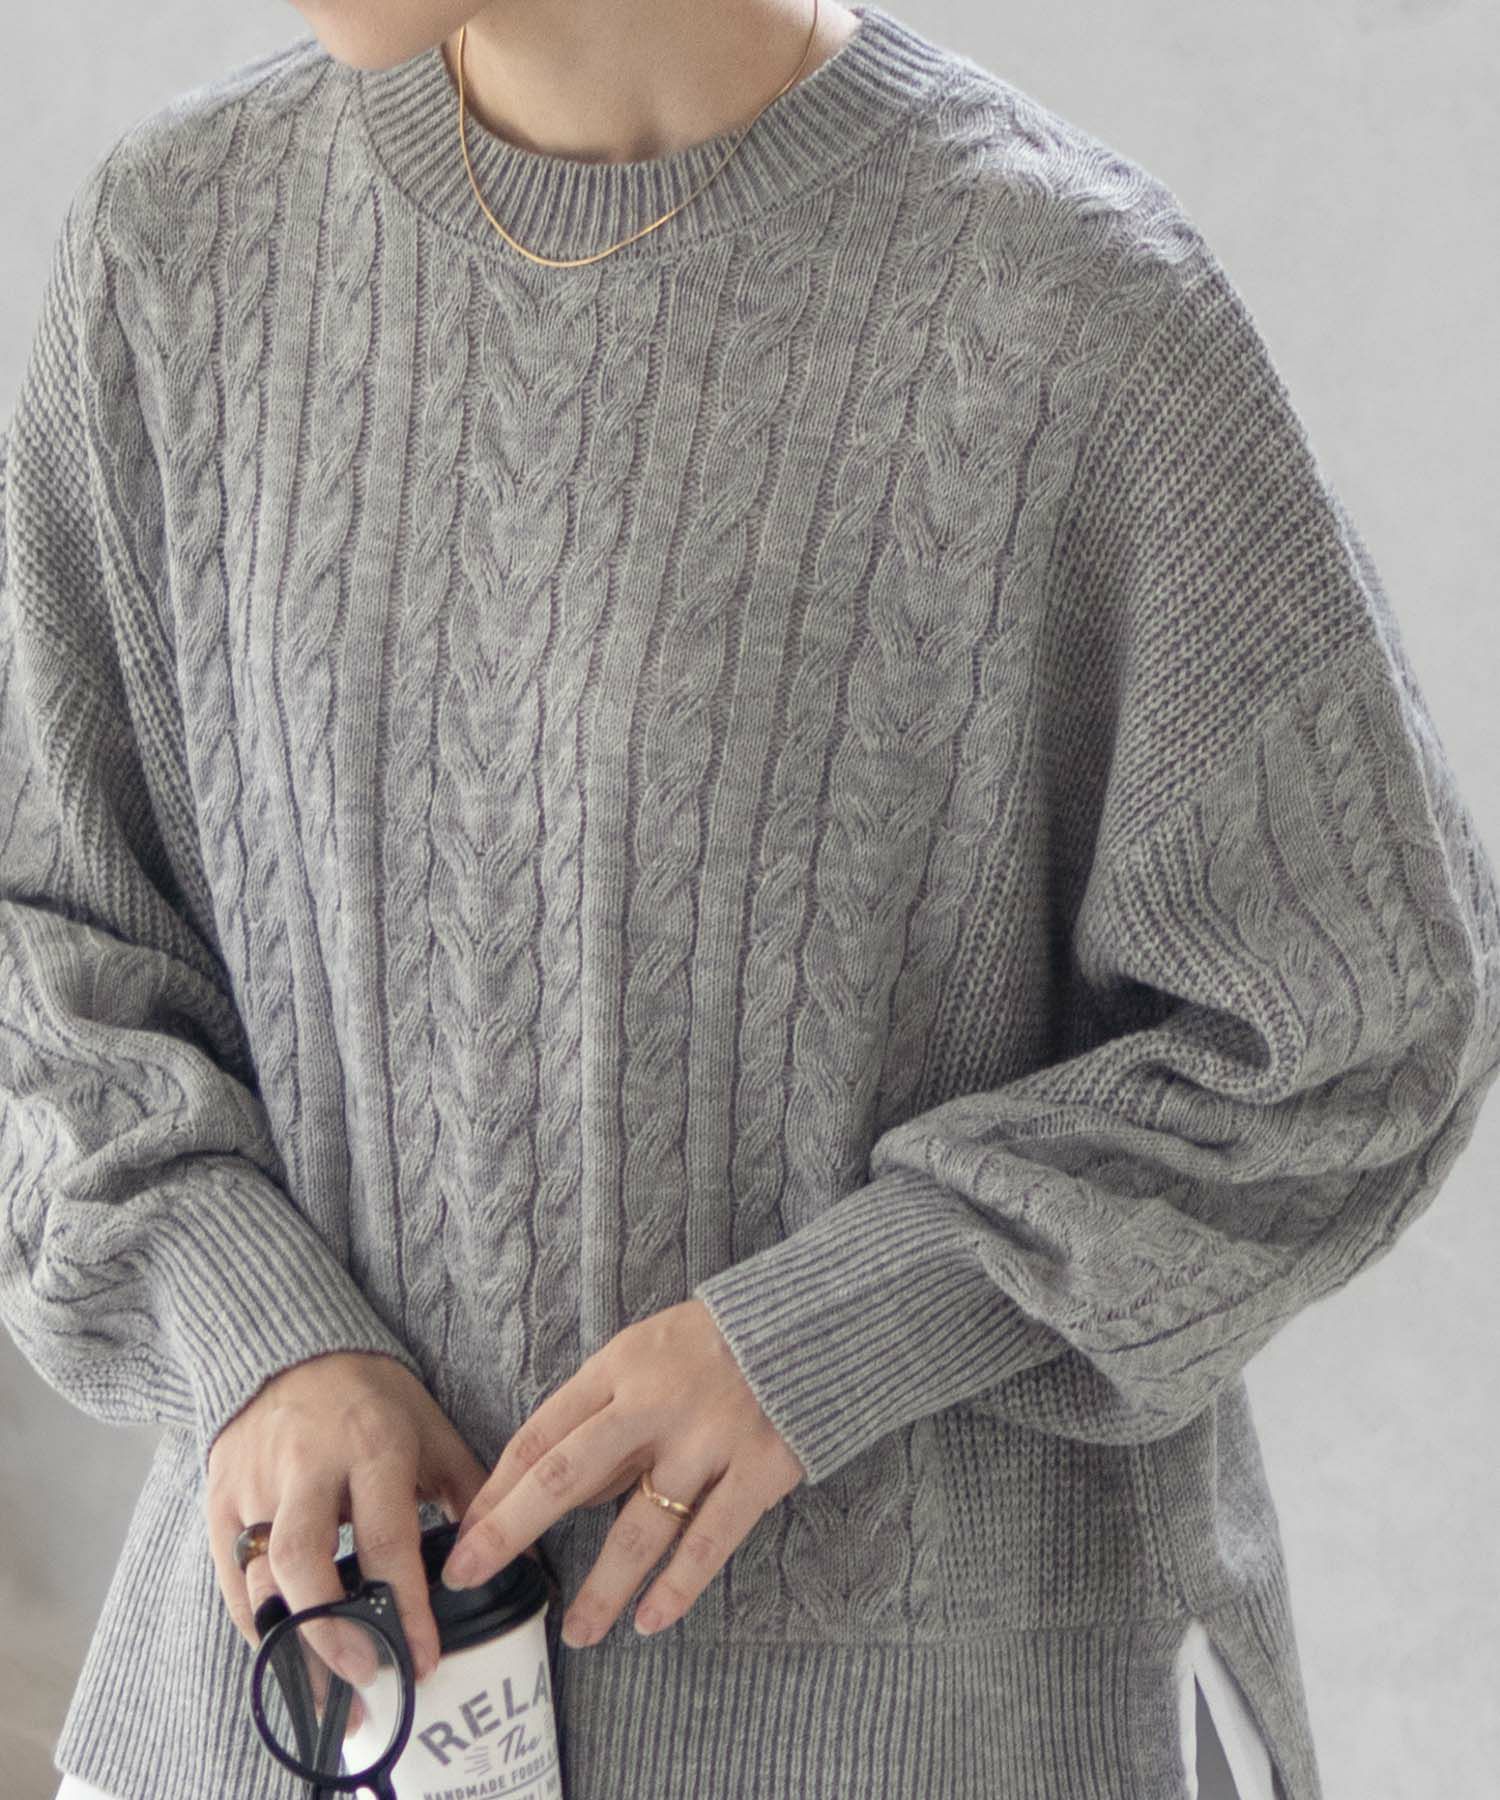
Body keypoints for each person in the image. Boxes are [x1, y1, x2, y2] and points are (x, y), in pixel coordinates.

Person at [7, 2, 1497, 1797]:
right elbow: (46, 940)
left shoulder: (1065, 311)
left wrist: (852, 1324)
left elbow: (1358, 1026)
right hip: (304, 1719)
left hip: (943, 1734)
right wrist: (252, 1331)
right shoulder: (181, 248)